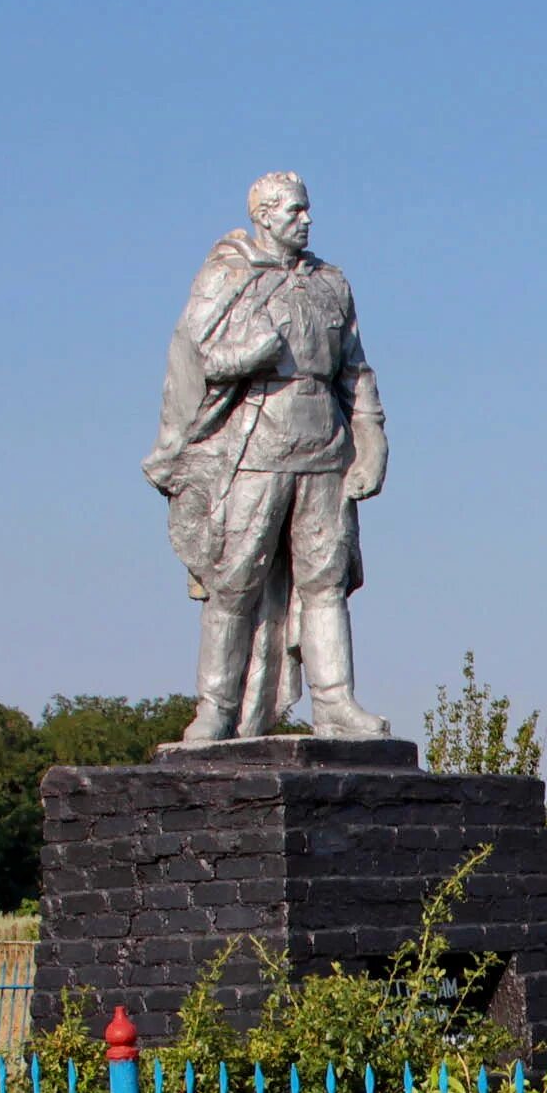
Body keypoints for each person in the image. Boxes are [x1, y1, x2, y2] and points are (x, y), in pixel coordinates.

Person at [143, 172, 391, 740]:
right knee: (235, 581)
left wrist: (372, 443)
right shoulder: (227, 274)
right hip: (255, 449)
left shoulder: (331, 283)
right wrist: (250, 352)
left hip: (324, 450)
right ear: (264, 215)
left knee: (324, 579)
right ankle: (216, 709)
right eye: (295, 211)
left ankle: (334, 704)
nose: (306, 220)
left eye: (307, 211)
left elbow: (355, 372)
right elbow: (196, 354)